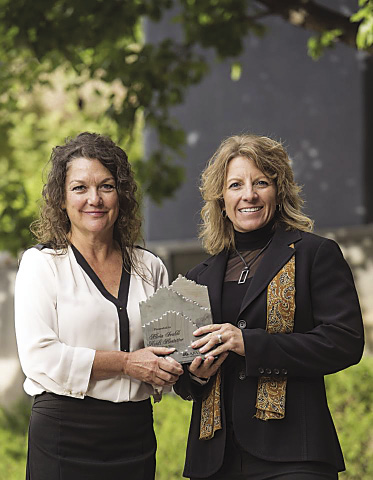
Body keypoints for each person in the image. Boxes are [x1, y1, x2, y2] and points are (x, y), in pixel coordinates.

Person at [174, 133, 364, 480]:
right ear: (221, 199)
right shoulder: (197, 277)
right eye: (236, 185)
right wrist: (193, 375)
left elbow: (344, 342)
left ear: (279, 191)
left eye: (260, 182)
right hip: (215, 460)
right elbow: (184, 376)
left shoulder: (314, 254)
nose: (249, 194)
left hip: (295, 457)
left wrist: (250, 343)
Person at [14, 132, 183, 480]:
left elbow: (171, 355)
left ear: (120, 195)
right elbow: (40, 357)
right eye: (79, 188)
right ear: (61, 199)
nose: (94, 199)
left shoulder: (150, 267)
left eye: (106, 186)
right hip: (64, 435)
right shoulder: (41, 265)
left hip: (134, 435)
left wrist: (195, 363)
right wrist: (127, 363)